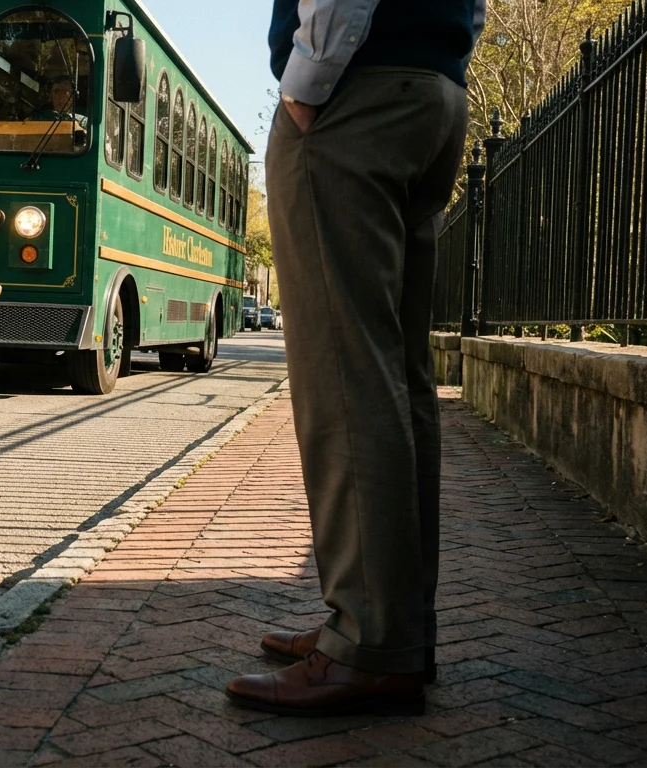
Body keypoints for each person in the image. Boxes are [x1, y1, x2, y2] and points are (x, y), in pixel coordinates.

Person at [225, 0, 486, 717]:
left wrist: (305, 84)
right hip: (433, 89)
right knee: (399, 376)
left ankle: (368, 641)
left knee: (344, 375)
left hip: (355, 96)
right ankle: (395, 629)